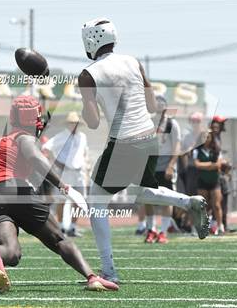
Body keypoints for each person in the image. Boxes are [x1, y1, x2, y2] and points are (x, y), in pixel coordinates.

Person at [78, 17, 209, 281]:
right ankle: (188, 202)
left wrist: (86, 101)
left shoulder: (88, 74)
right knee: (139, 190)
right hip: (149, 138)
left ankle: (109, 270)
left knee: (96, 201)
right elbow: (151, 106)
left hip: (123, 141)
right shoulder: (133, 62)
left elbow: (92, 123)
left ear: (91, 40)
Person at [0, 95, 118, 292]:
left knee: (11, 254)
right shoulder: (24, 136)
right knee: (59, 239)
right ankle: (92, 277)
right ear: (35, 120)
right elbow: (35, 157)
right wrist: (64, 186)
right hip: (16, 191)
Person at [42, 111, 89, 237]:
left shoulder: (82, 137)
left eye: (75, 123)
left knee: (79, 200)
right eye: (71, 123)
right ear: (68, 124)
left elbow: (84, 153)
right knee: (61, 200)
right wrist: (56, 163)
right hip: (64, 172)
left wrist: (84, 167)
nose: (73, 125)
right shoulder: (61, 136)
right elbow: (46, 148)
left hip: (78, 172)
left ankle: (72, 227)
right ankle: (62, 227)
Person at [143, 96, 181, 244]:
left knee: (167, 199)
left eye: (161, 106)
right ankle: (151, 230)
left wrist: (171, 165)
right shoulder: (147, 122)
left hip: (166, 166)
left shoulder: (172, 124)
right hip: (150, 165)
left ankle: (163, 232)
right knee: (147, 198)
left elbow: (177, 145)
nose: (159, 109)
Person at [193, 130, 224, 235]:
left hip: (214, 181)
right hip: (202, 181)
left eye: (208, 137)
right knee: (202, 206)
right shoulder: (197, 151)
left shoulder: (216, 150)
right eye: (204, 137)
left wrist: (206, 165)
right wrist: (211, 165)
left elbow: (218, 165)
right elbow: (197, 165)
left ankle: (220, 227)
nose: (206, 139)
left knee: (216, 205)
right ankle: (201, 226)